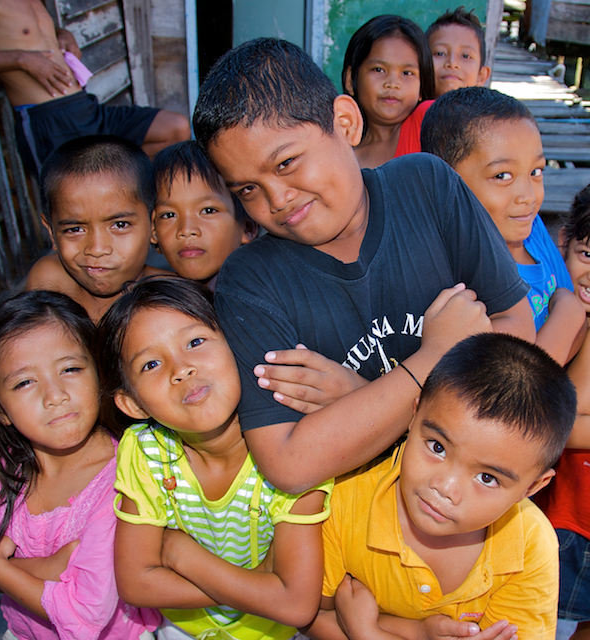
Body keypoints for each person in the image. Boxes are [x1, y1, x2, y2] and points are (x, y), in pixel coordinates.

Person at [192, 37, 535, 497]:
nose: (277, 200)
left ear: (345, 122)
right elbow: (288, 463)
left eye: (287, 162)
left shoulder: (427, 187)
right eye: (248, 190)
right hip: (347, 525)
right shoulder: (249, 281)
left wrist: (358, 398)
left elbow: (516, 328)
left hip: (461, 503)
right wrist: (432, 358)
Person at [95, 277, 333, 640]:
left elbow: (296, 605)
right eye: (151, 364)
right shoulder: (146, 451)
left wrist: (182, 557)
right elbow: (136, 584)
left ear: (236, 344)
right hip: (183, 628)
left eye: (195, 342)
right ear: (133, 404)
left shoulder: (294, 442)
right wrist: (259, 586)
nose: (181, 369)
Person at [306, 333, 576, 640]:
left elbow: (339, 615)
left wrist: (368, 632)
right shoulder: (347, 500)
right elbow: (310, 612)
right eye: (437, 447)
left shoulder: (529, 547)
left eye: (487, 478)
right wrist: (414, 632)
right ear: (414, 415)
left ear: (532, 487)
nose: (445, 487)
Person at [0, 290, 161, 640]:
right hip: (23, 632)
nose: (55, 395)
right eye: (24, 382)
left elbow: (87, 613)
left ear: (100, 373)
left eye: (70, 368)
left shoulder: (125, 474)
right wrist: (46, 568)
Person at [421, 86, 586, 365]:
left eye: (536, 172)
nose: (529, 197)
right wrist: (567, 317)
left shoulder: (533, 233)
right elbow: (508, 383)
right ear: (443, 184)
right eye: (502, 175)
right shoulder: (454, 281)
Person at [0, 0, 190, 174]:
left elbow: (24, 32)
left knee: (175, 128)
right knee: (74, 203)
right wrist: (21, 59)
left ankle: (123, 190)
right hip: (47, 117)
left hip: (87, 106)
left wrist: (62, 33)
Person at [25, 135, 172, 323]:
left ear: (153, 225)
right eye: (74, 229)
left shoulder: (169, 297)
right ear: (51, 231)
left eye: (120, 225)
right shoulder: (50, 282)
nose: (97, 249)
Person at [533, 186, 590, 640]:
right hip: (563, 515)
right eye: (587, 253)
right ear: (563, 244)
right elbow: (560, 415)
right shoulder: (558, 312)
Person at [151, 141, 258, 291]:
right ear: (153, 231)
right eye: (169, 215)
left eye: (208, 211)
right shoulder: (148, 302)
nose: (187, 229)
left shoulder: (259, 295)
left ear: (247, 227)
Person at [342, 15, 435, 168]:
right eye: (378, 70)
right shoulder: (342, 156)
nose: (392, 84)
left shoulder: (429, 123)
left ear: (421, 85)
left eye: (407, 73)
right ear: (350, 79)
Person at [425, 6, 491, 97]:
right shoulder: (406, 109)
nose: (452, 63)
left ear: (481, 76)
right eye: (440, 53)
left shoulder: (489, 111)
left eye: (465, 56)